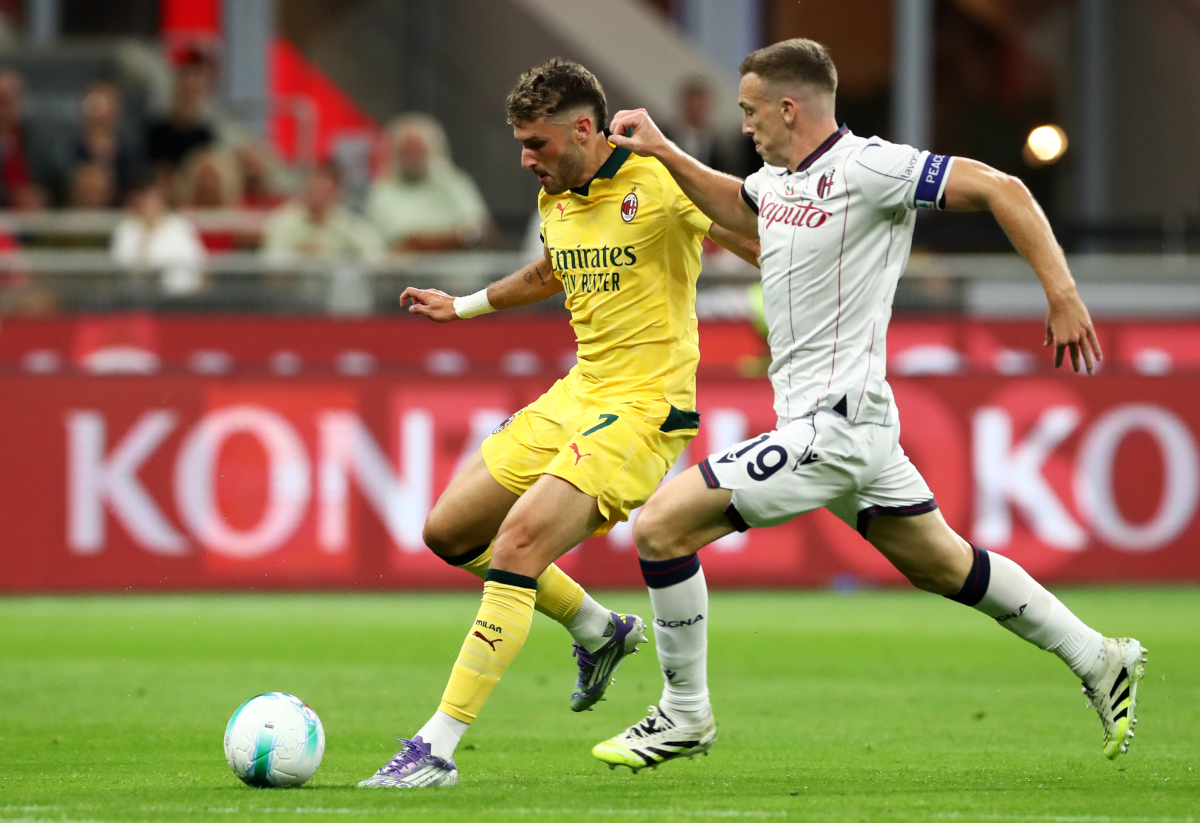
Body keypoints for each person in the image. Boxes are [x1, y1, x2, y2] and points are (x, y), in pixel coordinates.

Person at [591, 38, 1144, 771]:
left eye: (751, 111)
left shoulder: (871, 167)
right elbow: (733, 202)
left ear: (789, 108)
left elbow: (1003, 187)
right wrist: (662, 152)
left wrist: (1063, 294)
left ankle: (685, 714)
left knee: (661, 527)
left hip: (837, 425)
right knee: (944, 564)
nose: (745, 124)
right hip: (858, 428)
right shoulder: (781, 182)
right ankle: (1099, 656)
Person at [356, 58, 759, 789]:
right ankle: (598, 630)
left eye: (536, 144)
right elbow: (551, 272)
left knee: (515, 543)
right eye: (520, 143)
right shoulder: (557, 196)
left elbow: (759, 237)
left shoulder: (661, 184)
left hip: (644, 409)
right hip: (577, 393)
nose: (524, 158)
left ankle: (436, 747)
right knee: (450, 533)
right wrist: (466, 304)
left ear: (583, 129)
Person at [364, 114, 492, 251]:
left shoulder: (455, 183)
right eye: (408, 150)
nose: (413, 156)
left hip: (464, 271)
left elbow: (484, 231)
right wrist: (459, 239)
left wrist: (463, 237)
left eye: (419, 149)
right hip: (407, 272)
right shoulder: (381, 192)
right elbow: (406, 242)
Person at [261, 163, 382, 261]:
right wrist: (302, 257)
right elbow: (273, 265)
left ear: (337, 193)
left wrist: (340, 259)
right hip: (293, 290)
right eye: (313, 190)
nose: (317, 197)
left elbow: (375, 257)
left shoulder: (348, 224)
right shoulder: (284, 221)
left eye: (325, 191)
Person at [111, 174, 206, 295]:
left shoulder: (180, 226)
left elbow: (199, 265)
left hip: (183, 299)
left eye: (154, 196)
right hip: (139, 299)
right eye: (144, 197)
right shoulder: (125, 229)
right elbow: (121, 268)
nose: (149, 202)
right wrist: (146, 237)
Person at [145, 49, 215, 193]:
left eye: (196, 78)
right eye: (185, 77)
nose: (190, 84)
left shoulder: (207, 136)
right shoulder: (154, 133)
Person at [72, 80, 142, 203]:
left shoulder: (131, 155)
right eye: (95, 102)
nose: (100, 110)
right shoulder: (69, 151)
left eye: (107, 102)